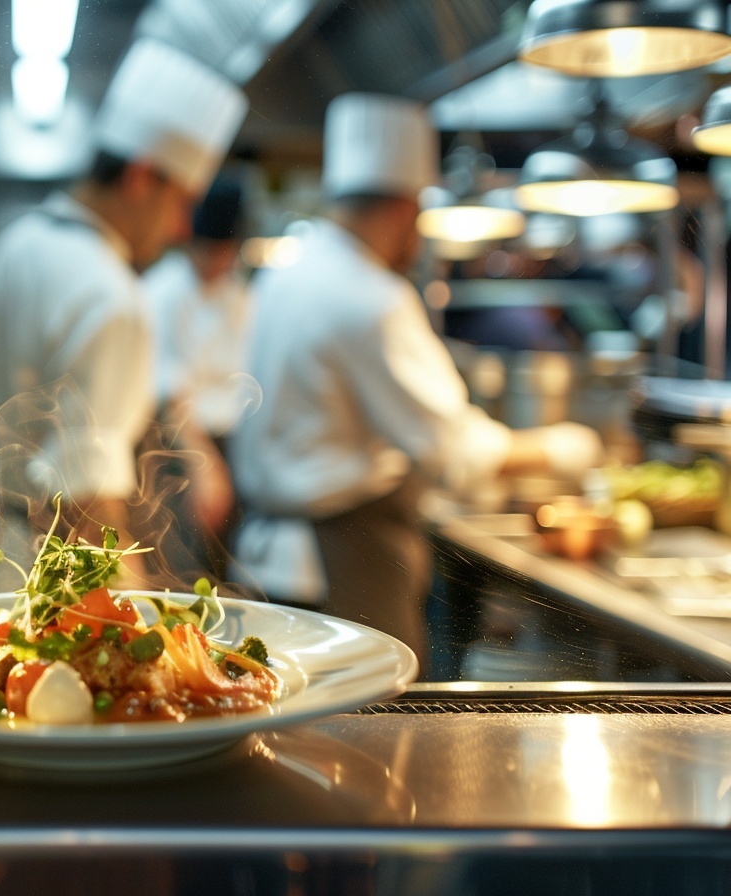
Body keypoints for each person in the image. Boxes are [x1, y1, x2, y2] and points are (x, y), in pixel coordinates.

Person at [230, 93, 603, 671]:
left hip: (262, 563)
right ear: (405, 208)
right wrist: (558, 447)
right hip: (342, 566)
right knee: (369, 747)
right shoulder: (371, 296)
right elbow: (450, 446)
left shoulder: (282, 276)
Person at [0, 39, 247, 559]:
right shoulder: (111, 292)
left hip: (4, 548)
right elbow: (88, 499)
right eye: (183, 201)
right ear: (143, 176)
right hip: (61, 576)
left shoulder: (17, 242)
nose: (184, 227)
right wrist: (133, 617)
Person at [141, 172, 255, 572]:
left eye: (226, 252)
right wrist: (203, 464)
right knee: (180, 572)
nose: (217, 263)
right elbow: (168, 392)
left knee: (224, 576)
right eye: (208, 251)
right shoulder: (161, 292)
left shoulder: (239, 295)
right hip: (176, 452)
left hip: (232, 447)